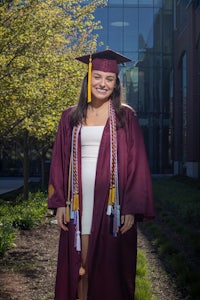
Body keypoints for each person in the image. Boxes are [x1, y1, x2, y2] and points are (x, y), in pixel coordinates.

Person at [48, 49, 155, 300]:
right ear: (88, 78)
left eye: (109, 79)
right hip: (77, 203)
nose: (102, 83)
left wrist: (130, 207)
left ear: (116, 83)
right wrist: (58, 202)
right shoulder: (70, 116)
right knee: (80, 266)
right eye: (97, 77)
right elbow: (59, 161)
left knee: (108, 269)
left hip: (111, 206)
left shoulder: (124, 116)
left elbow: (136, 163)